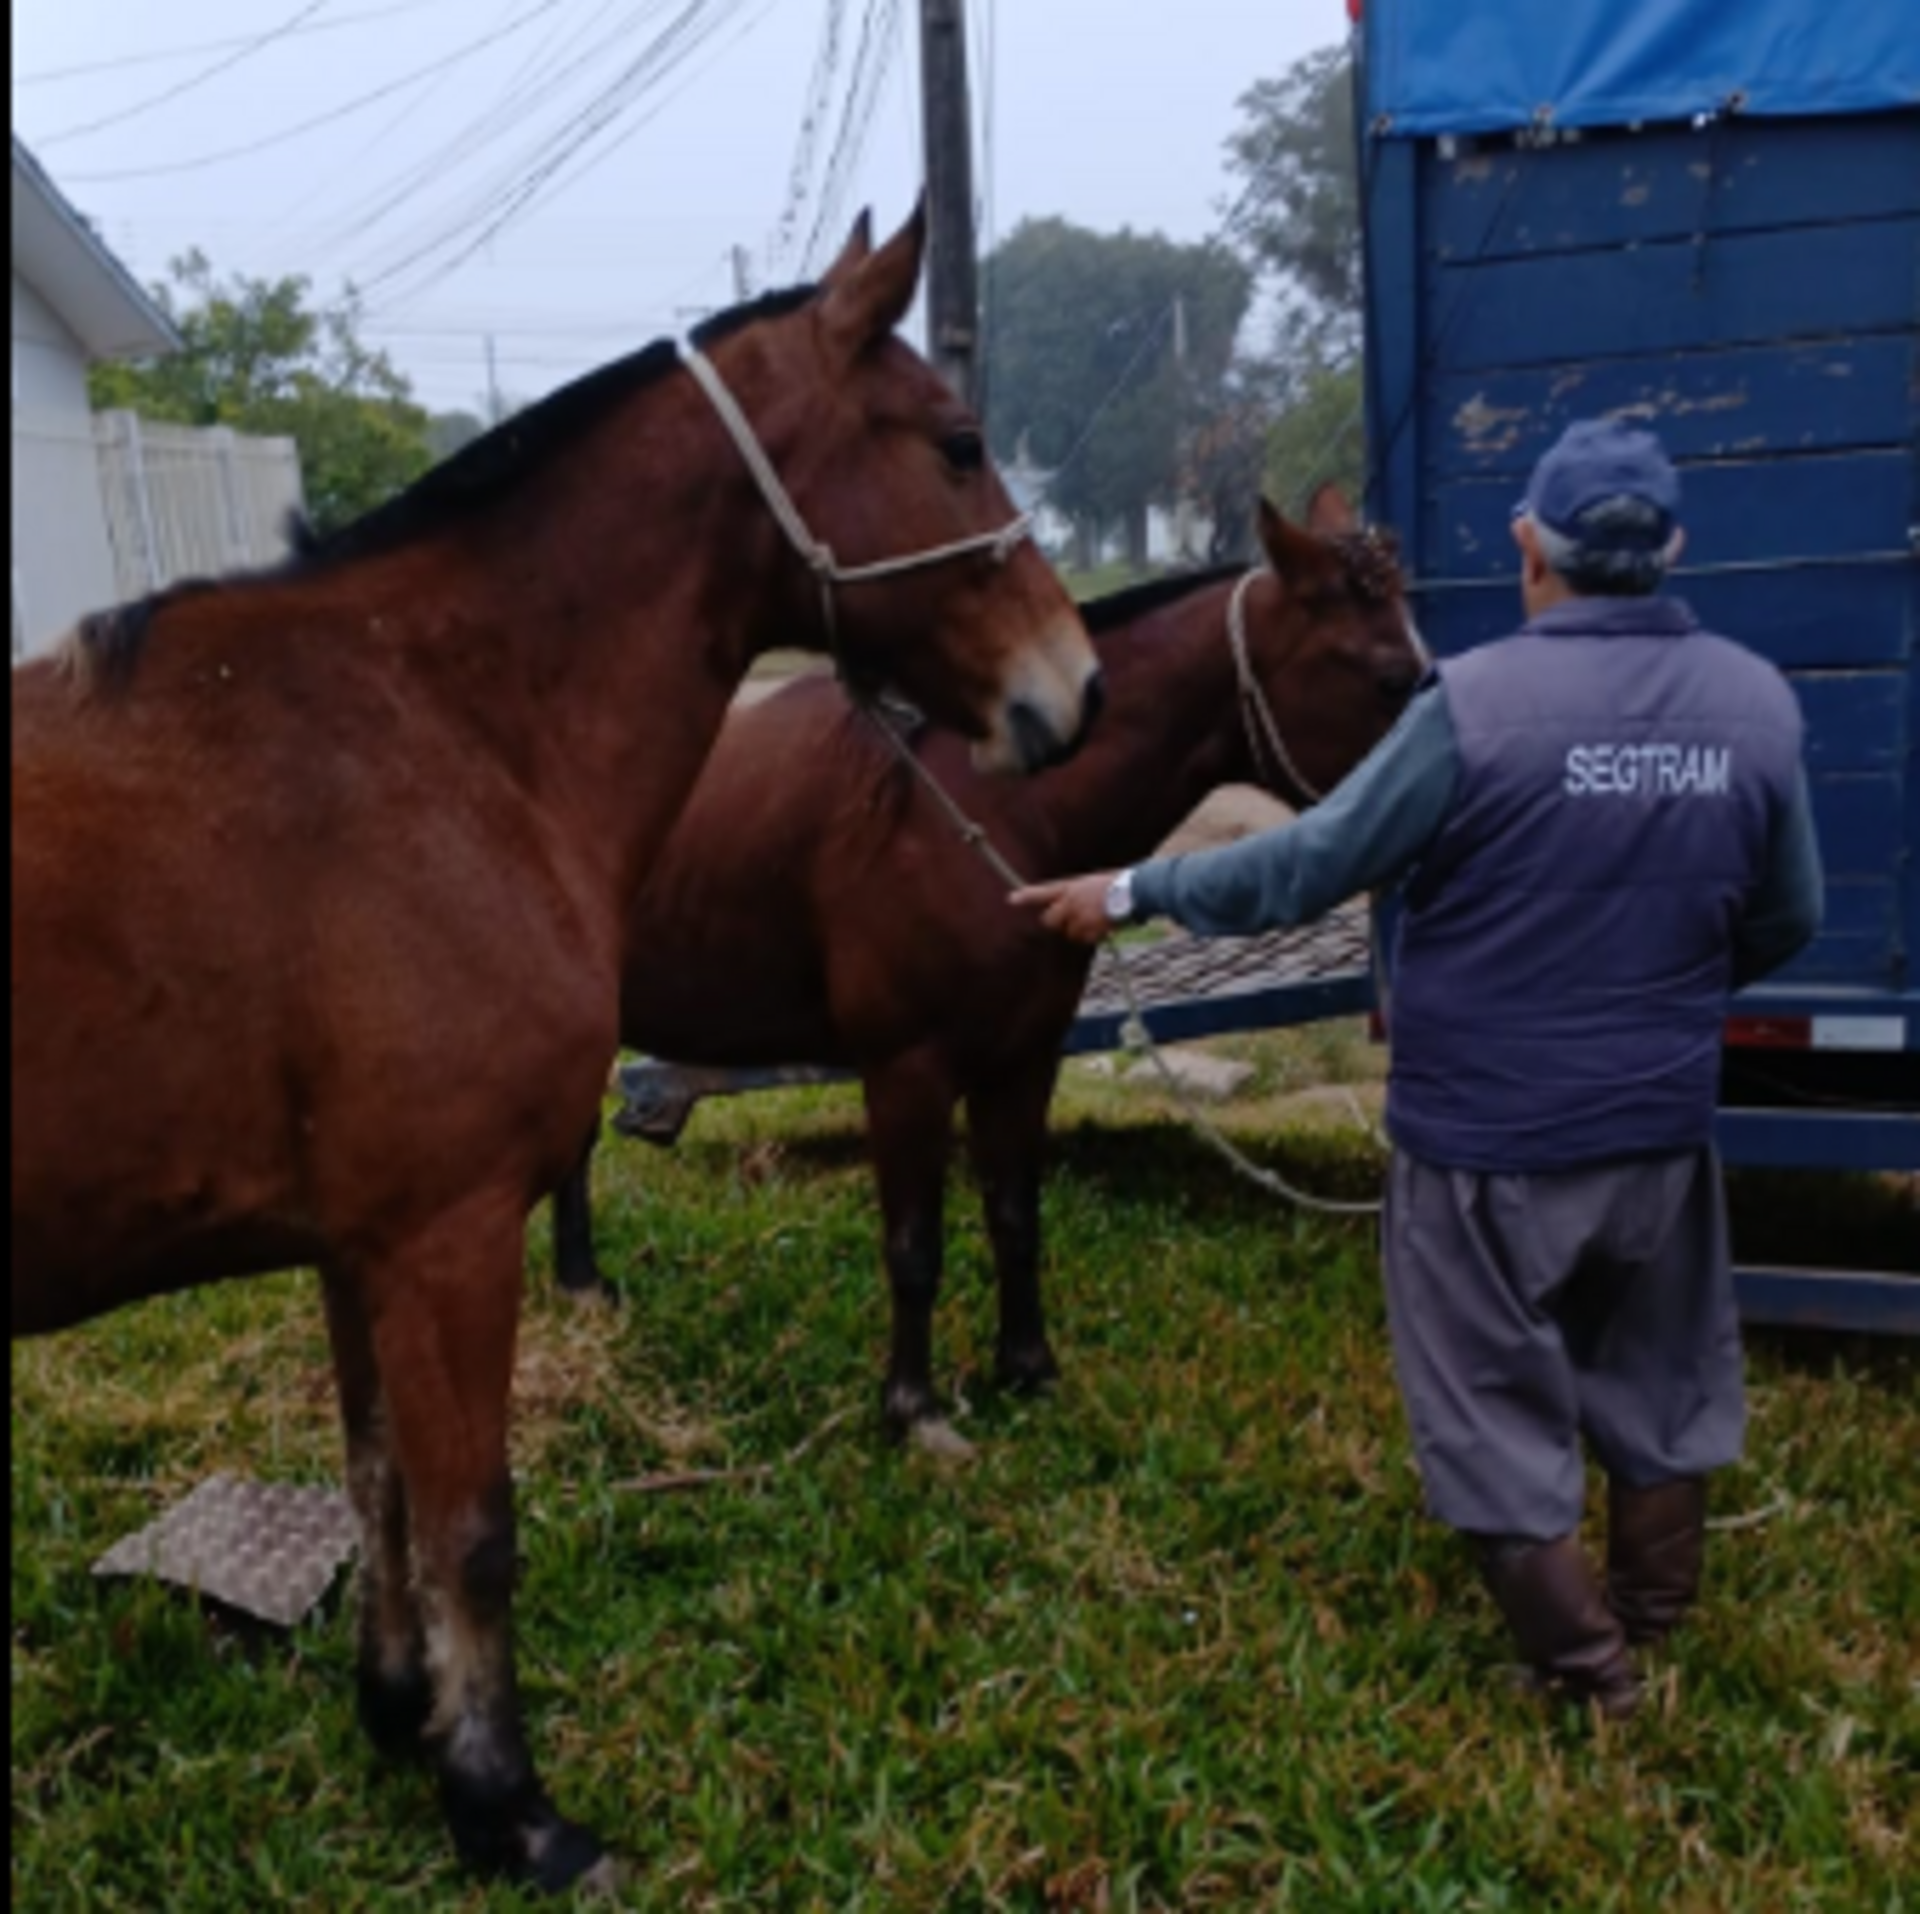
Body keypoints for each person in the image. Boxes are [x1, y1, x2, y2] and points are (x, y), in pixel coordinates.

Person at [1012, 420, 1823, 1718]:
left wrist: (1130, 889)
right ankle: (1657, 1617)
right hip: (1660, 1125)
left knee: (1488, 1405)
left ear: (1528, 548)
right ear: (1670, 551)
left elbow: (1306, 864)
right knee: (1659, 1373)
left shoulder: (1476, 709)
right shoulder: (1757, 703)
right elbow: (1788, 918)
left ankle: (1593, 1677)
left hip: (1486, 1143)